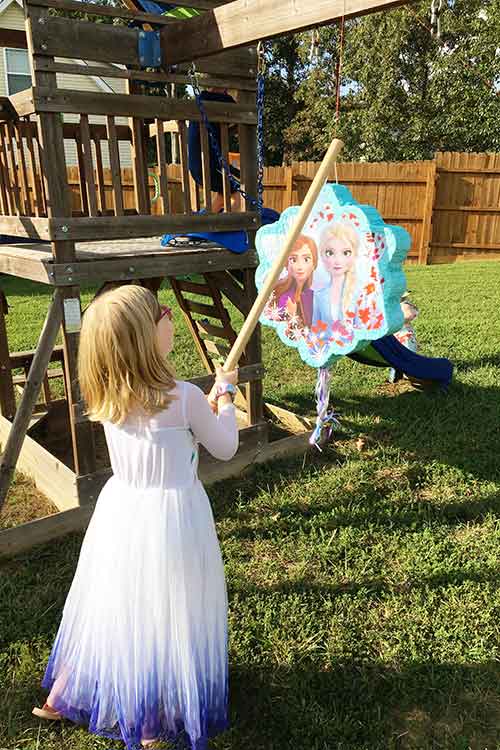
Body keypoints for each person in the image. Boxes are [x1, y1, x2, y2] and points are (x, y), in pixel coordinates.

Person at [32, 285, 239, 750]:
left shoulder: (108, 391)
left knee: (116, 606)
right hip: (173, 518)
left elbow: (159, 429)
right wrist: (224, 398)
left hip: (122, 513)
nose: (170, 318)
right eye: (163, 313)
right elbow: (224, 446)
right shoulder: (185, 396)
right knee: (165, 610)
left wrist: (202, 409)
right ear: (147, 336)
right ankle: (147, 723)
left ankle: (60, 694)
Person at [188, 88, 242, 213]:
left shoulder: (199, 101)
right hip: (208, 166)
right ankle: (224, 226)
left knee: (224, 192)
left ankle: (205, 220)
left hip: (196, 167)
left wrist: (236, 172)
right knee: (238, 195)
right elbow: (240, 114)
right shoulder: (223, 100)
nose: (228, 93)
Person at [312, 222, 360, 328]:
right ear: (322, 256)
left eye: (346, 253)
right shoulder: (318, 296)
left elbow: (363, 332)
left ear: (355, 255)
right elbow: (314, 330)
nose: (337, 261)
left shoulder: (358, 294)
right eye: (330, 253)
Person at [270, 234, 318, 330]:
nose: (300, 266)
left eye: (306, 259)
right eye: (293, 259)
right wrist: (291, 315)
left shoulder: (314, 297)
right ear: (286, 264)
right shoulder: (279, 293)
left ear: (314, 263)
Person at [388, 294, 419, 383]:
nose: (407, 299)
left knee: (395, 359)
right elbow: (410, 315)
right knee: (408, 356)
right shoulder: (403, 307)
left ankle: (394, 377)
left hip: (398, 338)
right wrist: (412, 308)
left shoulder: (391, 308)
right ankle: (408, 375)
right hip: (404, 338)